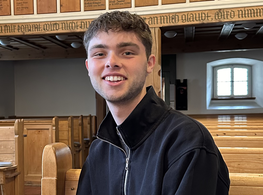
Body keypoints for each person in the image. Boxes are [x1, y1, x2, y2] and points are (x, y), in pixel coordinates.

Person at [77, 11, 230, 195]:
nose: (111, 62)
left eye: (127, 52)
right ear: (88, 67)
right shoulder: (100, 147)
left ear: (150, 63)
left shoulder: (187, 140)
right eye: (99, 53)